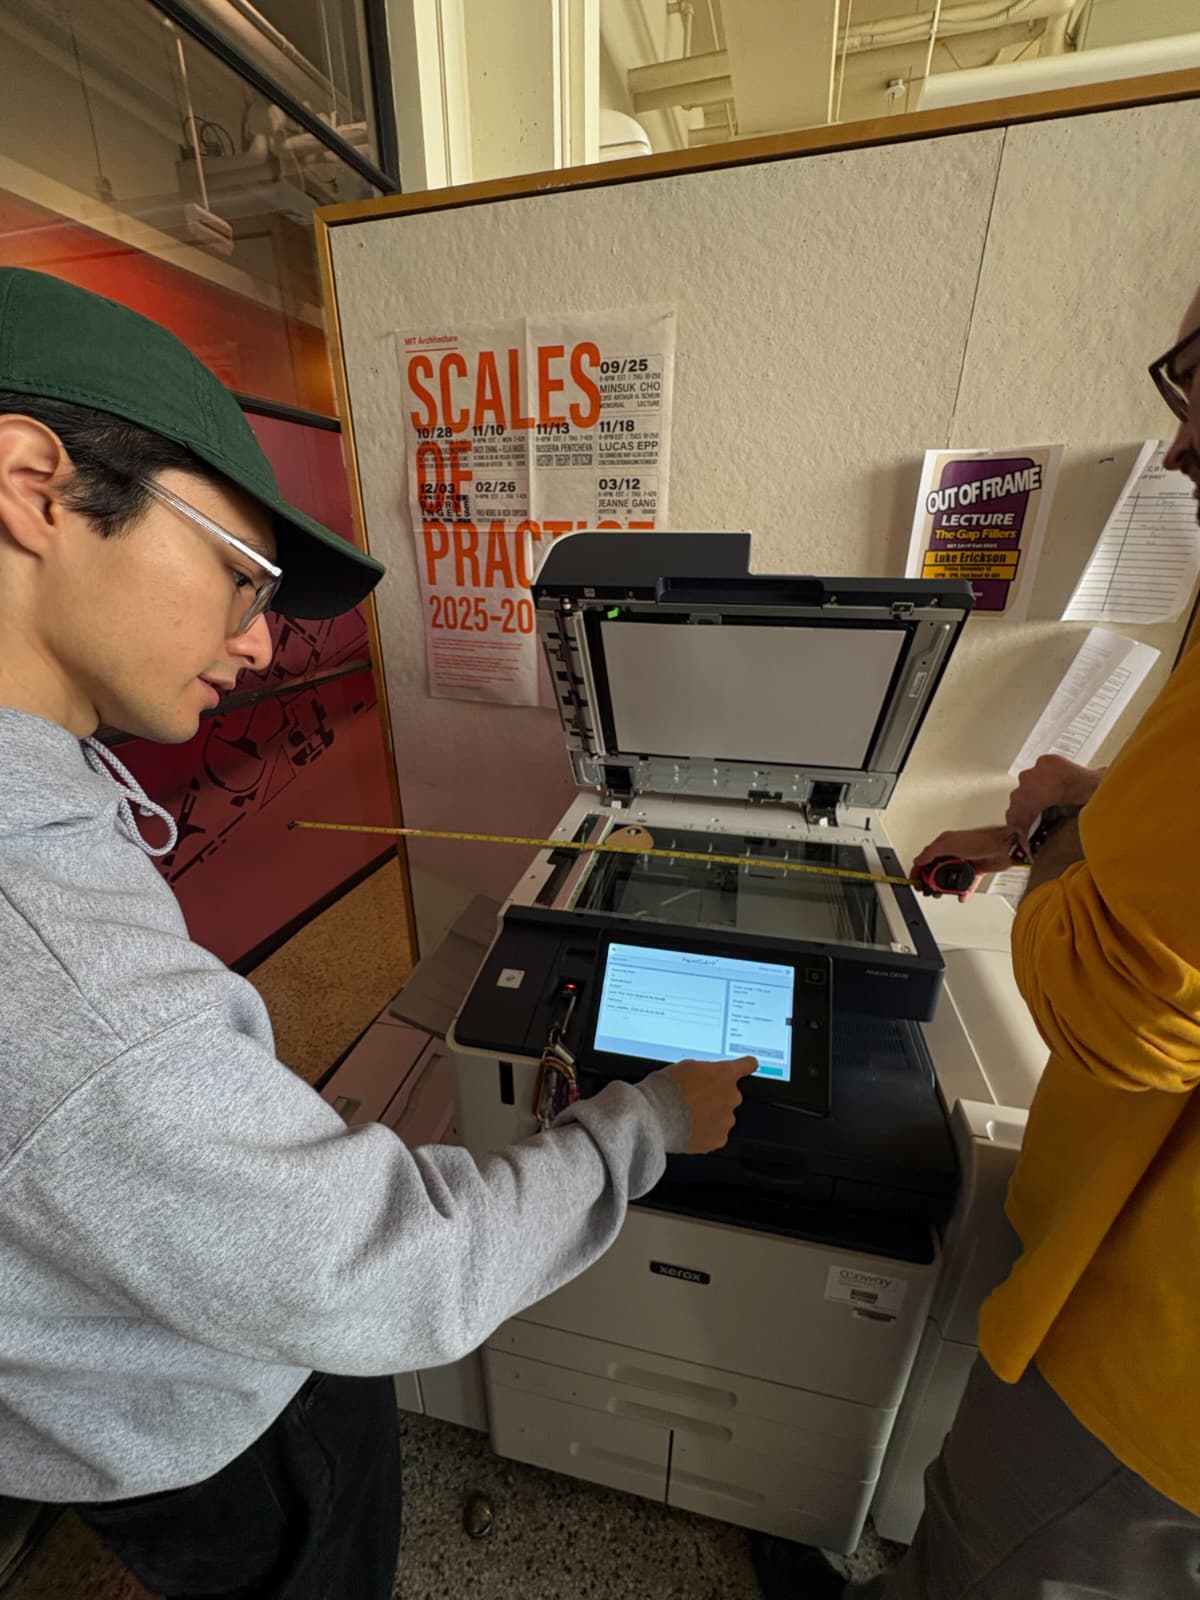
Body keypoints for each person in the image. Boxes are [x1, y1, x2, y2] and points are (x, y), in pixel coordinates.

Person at [0, 267, 753, 1600]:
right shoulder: (61, 965)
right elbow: (389, 1273)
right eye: (240, 576)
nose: (254, 645)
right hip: (213, 1429)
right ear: (32, 484)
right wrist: (645, 1125)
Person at [751, 284, 1200, 1600]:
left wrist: (1053, 842)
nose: (1178, 443)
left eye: (1194, 375)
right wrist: (1078, 823)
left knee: (1000, 1563)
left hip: (1163, 1346)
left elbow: (1126, 1012)